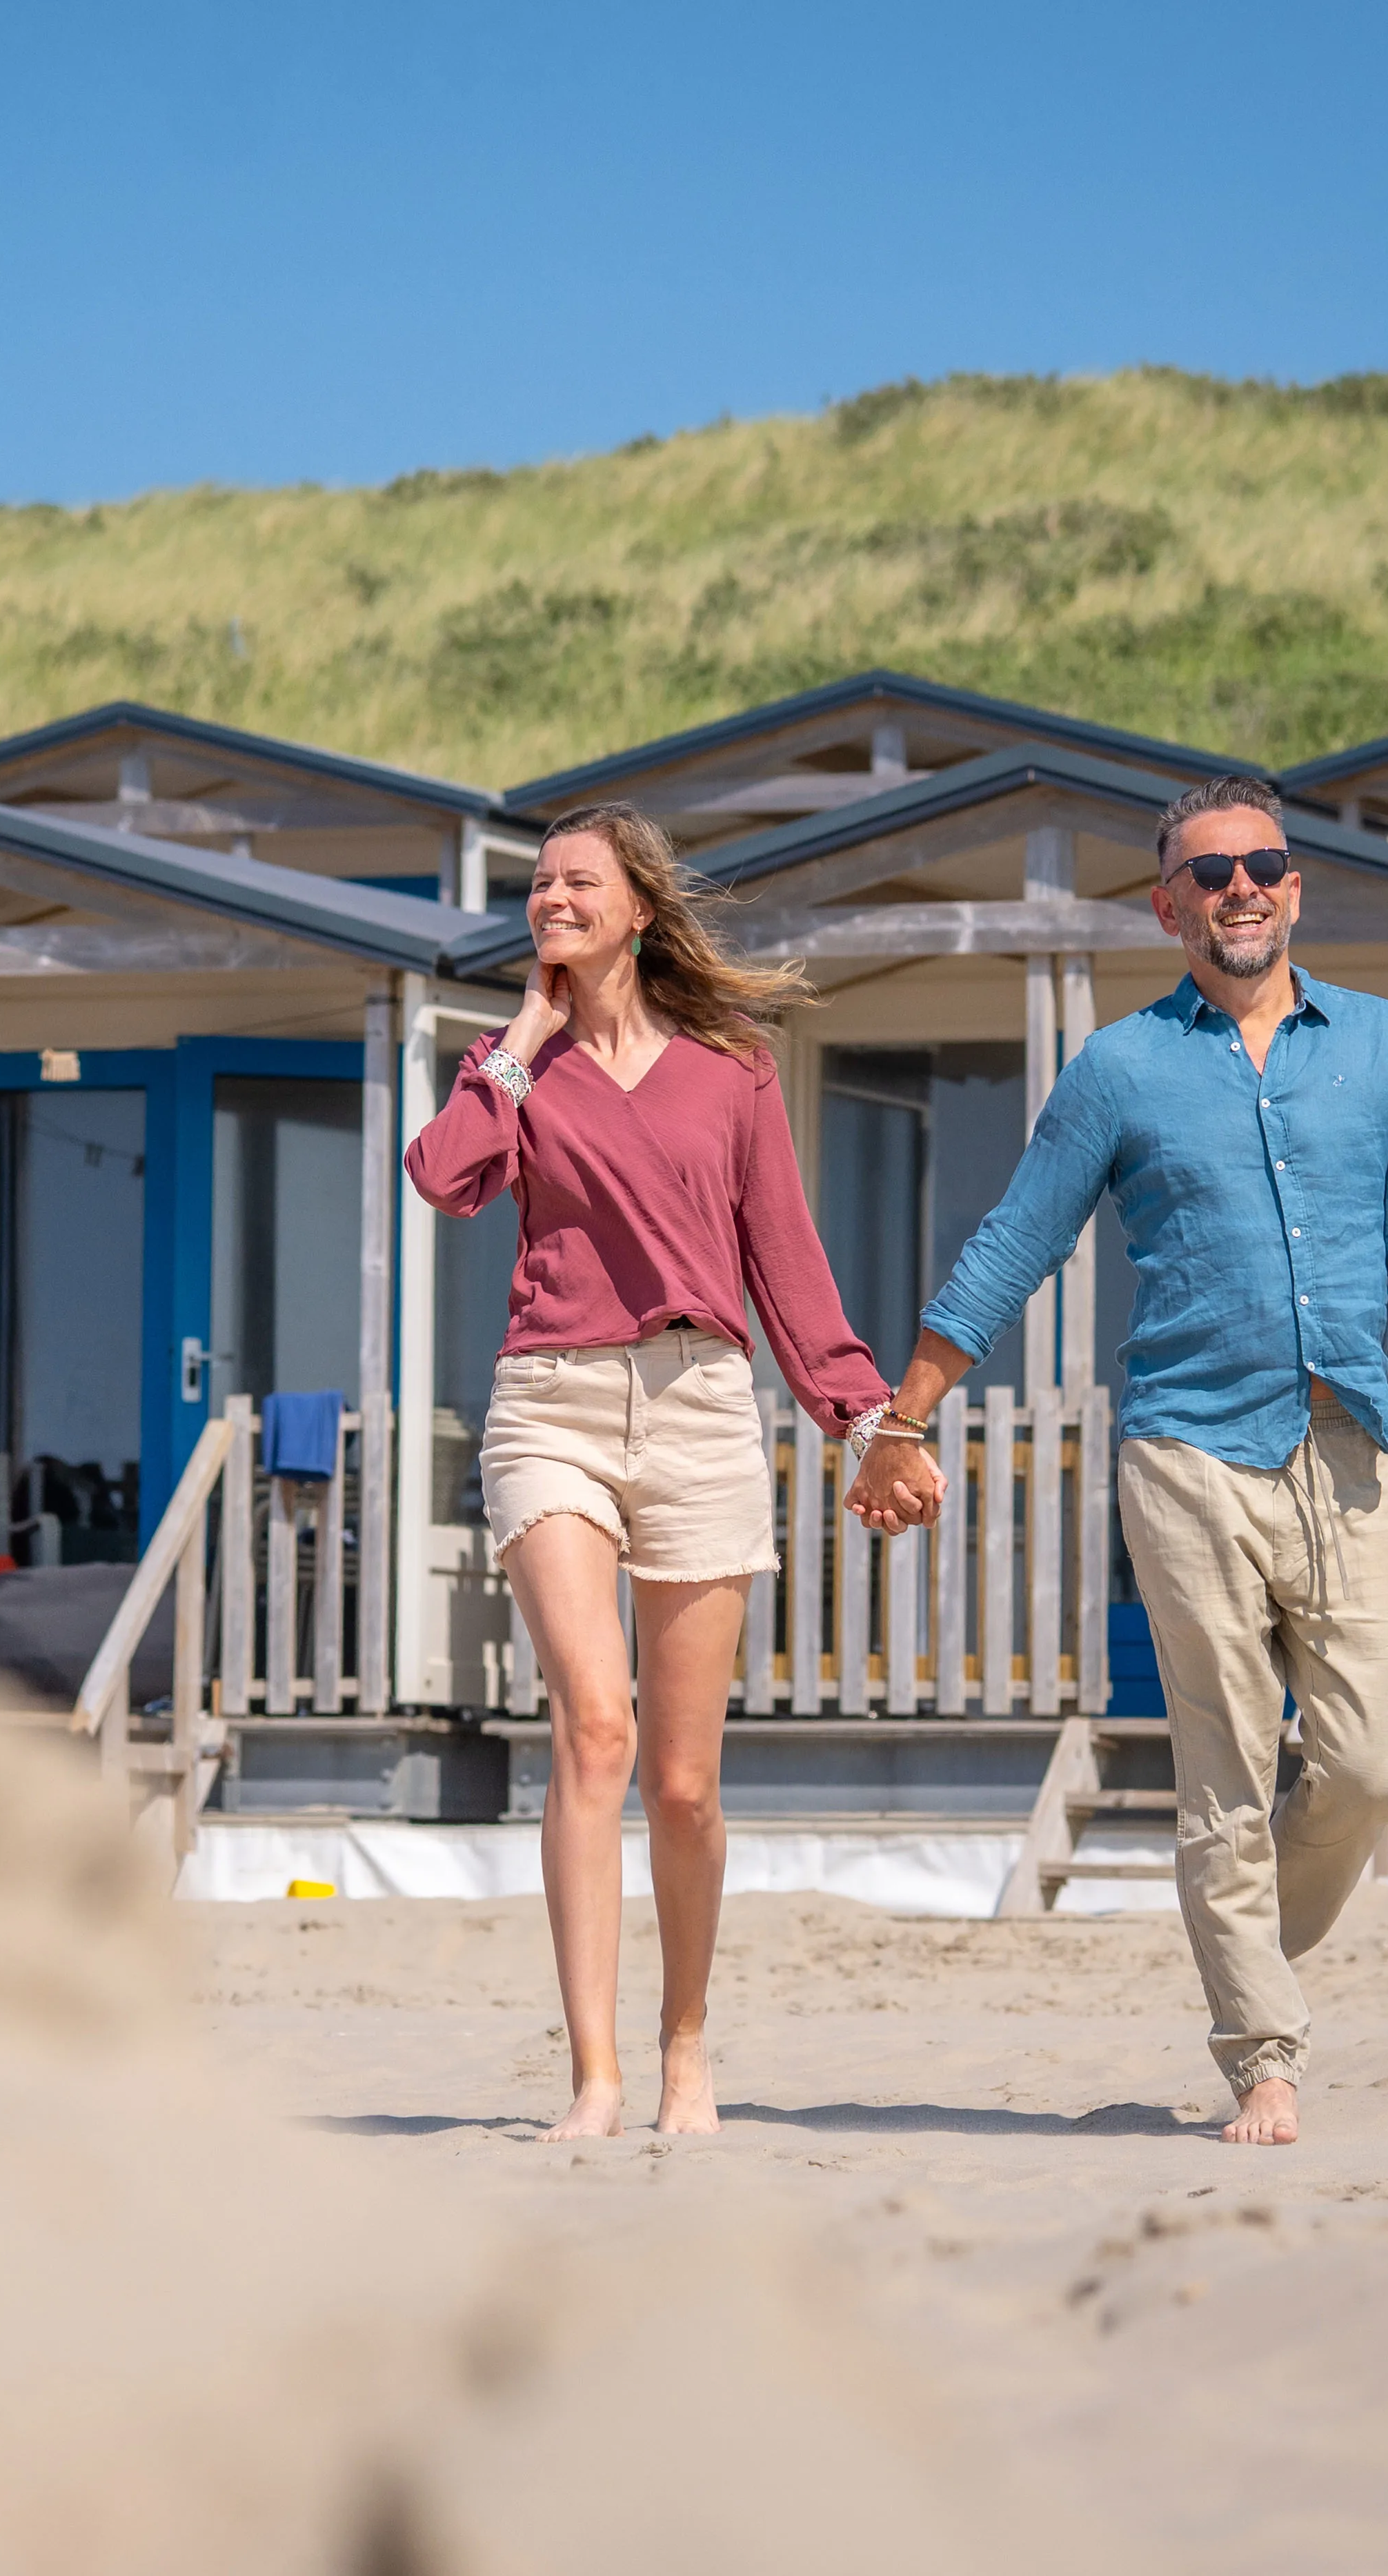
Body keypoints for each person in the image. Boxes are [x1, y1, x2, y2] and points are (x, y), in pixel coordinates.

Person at [844, 775, 1388, 2148]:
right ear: (1167, 906)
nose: (1238, 889)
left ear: (1295, 887)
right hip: (1187, 1452)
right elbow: (1010, 1247)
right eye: (1208, 874)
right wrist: (904, 1415)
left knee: (1372, 1756)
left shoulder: (1382, 1048)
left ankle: (1246, 1938)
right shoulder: (1121, 1068)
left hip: (1349, 1448)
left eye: (1261, 865)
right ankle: (1261, 2052)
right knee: (1225, 1764)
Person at [405, 802, 900, 2141]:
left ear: (635, 909)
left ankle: (685, 2045)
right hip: (549, 1404)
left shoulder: (729, 1072)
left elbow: (788, 1266)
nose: (551, 899)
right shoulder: (514, 1073)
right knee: (595, 1727)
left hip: (697, 1408)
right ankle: (595, 2073)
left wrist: (862, 1416)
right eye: (538, 885)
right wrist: (516, 1037)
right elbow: (444, 1180)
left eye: (578, 883)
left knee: (681, 1781)